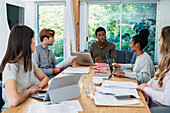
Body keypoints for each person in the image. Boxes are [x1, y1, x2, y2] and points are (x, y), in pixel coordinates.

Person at [0, 25, 49, 111]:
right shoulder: (10, 67)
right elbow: (14, 100)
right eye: (33, 39)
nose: (35, 43)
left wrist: (37, 87)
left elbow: (45, 78)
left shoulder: (29, 63)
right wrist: (30, 91)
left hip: (27, 104)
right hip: (12, 109)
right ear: (25, 42)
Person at [137, 26, 170, 112]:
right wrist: (146, 87)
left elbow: (166, 100)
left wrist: (147, 90)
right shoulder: (164, 62)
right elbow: (154, 79)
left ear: (166, 43)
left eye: (160, 40)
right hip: (152, 101)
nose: (158, 43)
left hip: (158, 107)